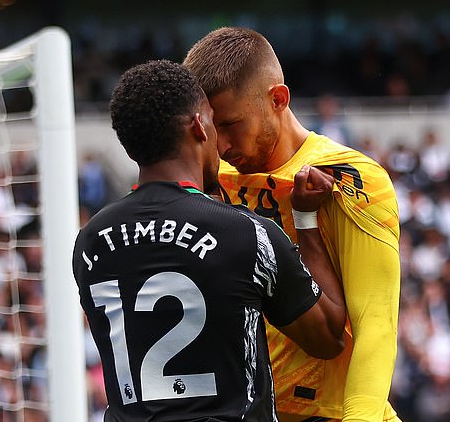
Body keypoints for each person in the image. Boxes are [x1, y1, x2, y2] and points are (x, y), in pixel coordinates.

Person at [72, 59, 347, 421]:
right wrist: (305, 219)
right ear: (200, 125)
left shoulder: (91, 242)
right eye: (216, 124)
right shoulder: (246, 234)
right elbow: (329, 336)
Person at [184, 27, 402, 422]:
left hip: (331, 412)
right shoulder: (209, 182)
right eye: (213, 130)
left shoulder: (347, 179)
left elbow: (377, 321)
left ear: (278, 99)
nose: (222, 146)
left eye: (232, 124)